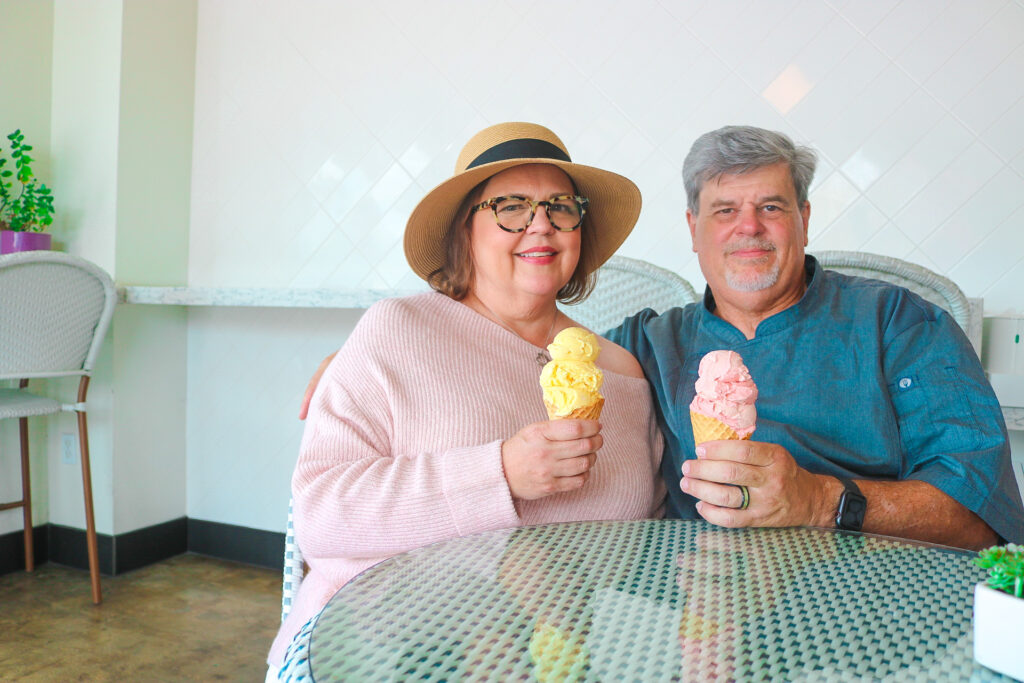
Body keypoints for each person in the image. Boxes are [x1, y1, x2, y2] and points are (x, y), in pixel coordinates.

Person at [268, 122, 665, 677]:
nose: (541, 225)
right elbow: (323, 515)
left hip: (559, 662)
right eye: (511, 207)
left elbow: (645, 540)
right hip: (377, 648)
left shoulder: (621, 375)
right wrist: (499, 473)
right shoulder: (397, 331)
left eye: (560, 206)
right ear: (465, 231)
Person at [605, 125, 1023, 548]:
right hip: (704, 598)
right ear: (694, 229)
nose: (749, 227)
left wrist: (820, 501)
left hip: (873, 597)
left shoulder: (898, 322)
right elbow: (539, 361)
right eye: (725, 210)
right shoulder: (650, 344)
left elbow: (982, 519)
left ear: (803, 220)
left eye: (770, 207)